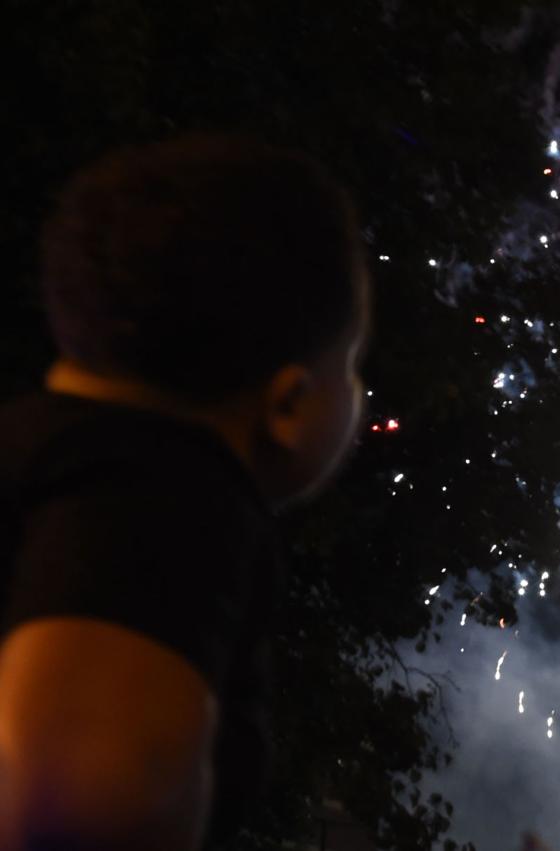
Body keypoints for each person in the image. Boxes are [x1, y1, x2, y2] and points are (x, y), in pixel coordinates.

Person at [0, 135, 371, 850]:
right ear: (288, 405)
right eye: (351, 363)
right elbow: (78, 811)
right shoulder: (157, 499)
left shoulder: (45, 453)